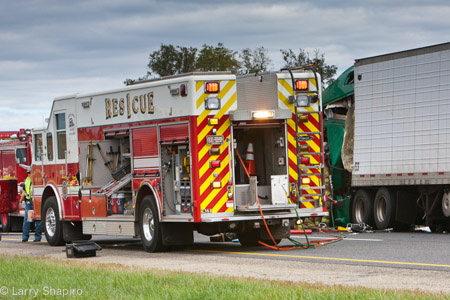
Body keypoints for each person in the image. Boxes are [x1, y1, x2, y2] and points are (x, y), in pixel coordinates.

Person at [21, 169, 42, 242]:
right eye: (28, 173)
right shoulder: (28, 181)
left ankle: (36, 237)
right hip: (30, 202)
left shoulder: (36, 181)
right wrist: (21, 200)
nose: (28, 175)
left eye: (29, 173)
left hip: (36, 202)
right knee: (28, 220)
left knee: (38, 220)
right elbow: (24, 191)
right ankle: (25, 237)